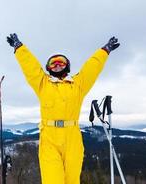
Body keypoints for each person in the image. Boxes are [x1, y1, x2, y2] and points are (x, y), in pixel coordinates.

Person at [7, 33, 120, 184]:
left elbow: (91, 68)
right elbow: (31, 68)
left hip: (72, 137)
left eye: (61, 62)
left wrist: (104, 50)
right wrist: (19, 48)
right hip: (49, 139)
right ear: (48, 67)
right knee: (53, 180)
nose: (57, 65)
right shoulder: (43, 84)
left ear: (67, 65)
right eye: (53, 63)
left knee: (72, 180)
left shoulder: (78, 84)